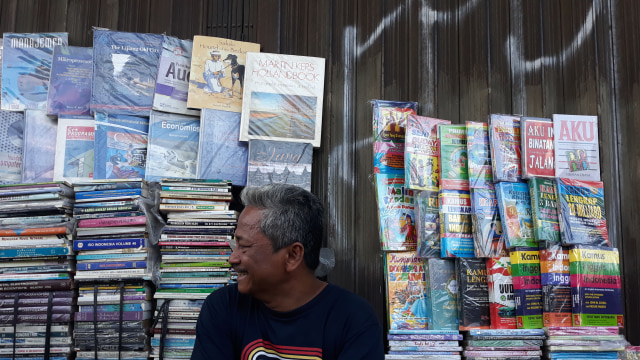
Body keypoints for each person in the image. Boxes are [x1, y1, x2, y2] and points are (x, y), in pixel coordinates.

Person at [191, 184, 385, 360]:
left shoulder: (353, 320)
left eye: (244, 246)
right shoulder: (223, 307)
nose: (233, 259)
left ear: (293, 255)